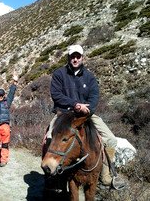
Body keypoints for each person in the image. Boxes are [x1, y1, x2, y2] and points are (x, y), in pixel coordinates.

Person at [45, 44, 125, 189]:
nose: (75, 59)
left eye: (78, 56)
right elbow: (56, 95)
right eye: (72, 56)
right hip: (64, 114)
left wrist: (89, 110)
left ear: (82, 57)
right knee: (50, 137)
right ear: (68, 58)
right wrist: (75, 104)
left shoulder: (89, 77)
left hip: (85, 115)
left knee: (111, 140)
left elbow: (94, 96)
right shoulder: (59, 74)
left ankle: (106, 176)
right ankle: (54, 176)